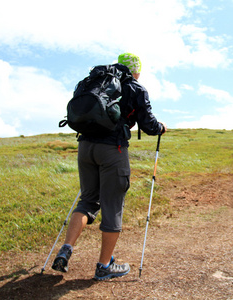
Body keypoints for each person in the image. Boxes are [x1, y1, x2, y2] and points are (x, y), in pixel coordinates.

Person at [52, 53, 167, 280]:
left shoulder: (97, 81)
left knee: (87, 201)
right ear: (136, 70)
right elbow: (149, 124)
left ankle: (66, 249)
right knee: (112, 205)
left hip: (85, 147)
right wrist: (161, 127)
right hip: (112, 150)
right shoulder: (136, 88)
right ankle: (104, 266)